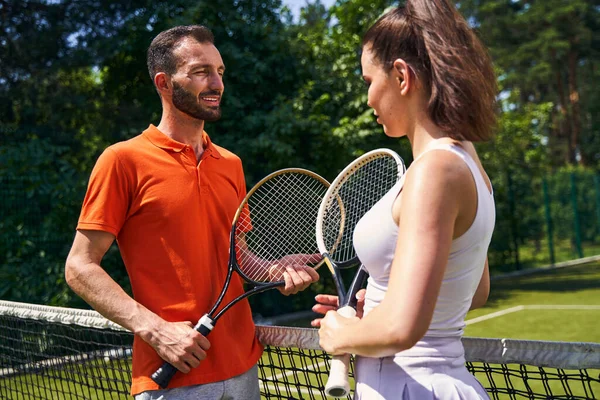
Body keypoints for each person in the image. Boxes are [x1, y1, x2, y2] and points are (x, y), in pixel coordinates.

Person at [65, 25, 319, 400]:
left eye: (220, 72)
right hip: (172, 377)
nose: (216, 83)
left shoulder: (230, 163)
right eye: (201, 72)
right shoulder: (122, 160)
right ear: (164, 83)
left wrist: (272, 271)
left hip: (244, 366)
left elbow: (236, 256)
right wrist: (155, 330)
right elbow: (80, 267)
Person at [313, 0, 496, 398]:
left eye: (367, 82)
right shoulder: (466, 161)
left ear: (401, 76)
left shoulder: (435, 171)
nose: (368, 100)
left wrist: (341, 333)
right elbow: (474, 290)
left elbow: (400, 329)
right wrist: (379, 302)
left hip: (415, 387)